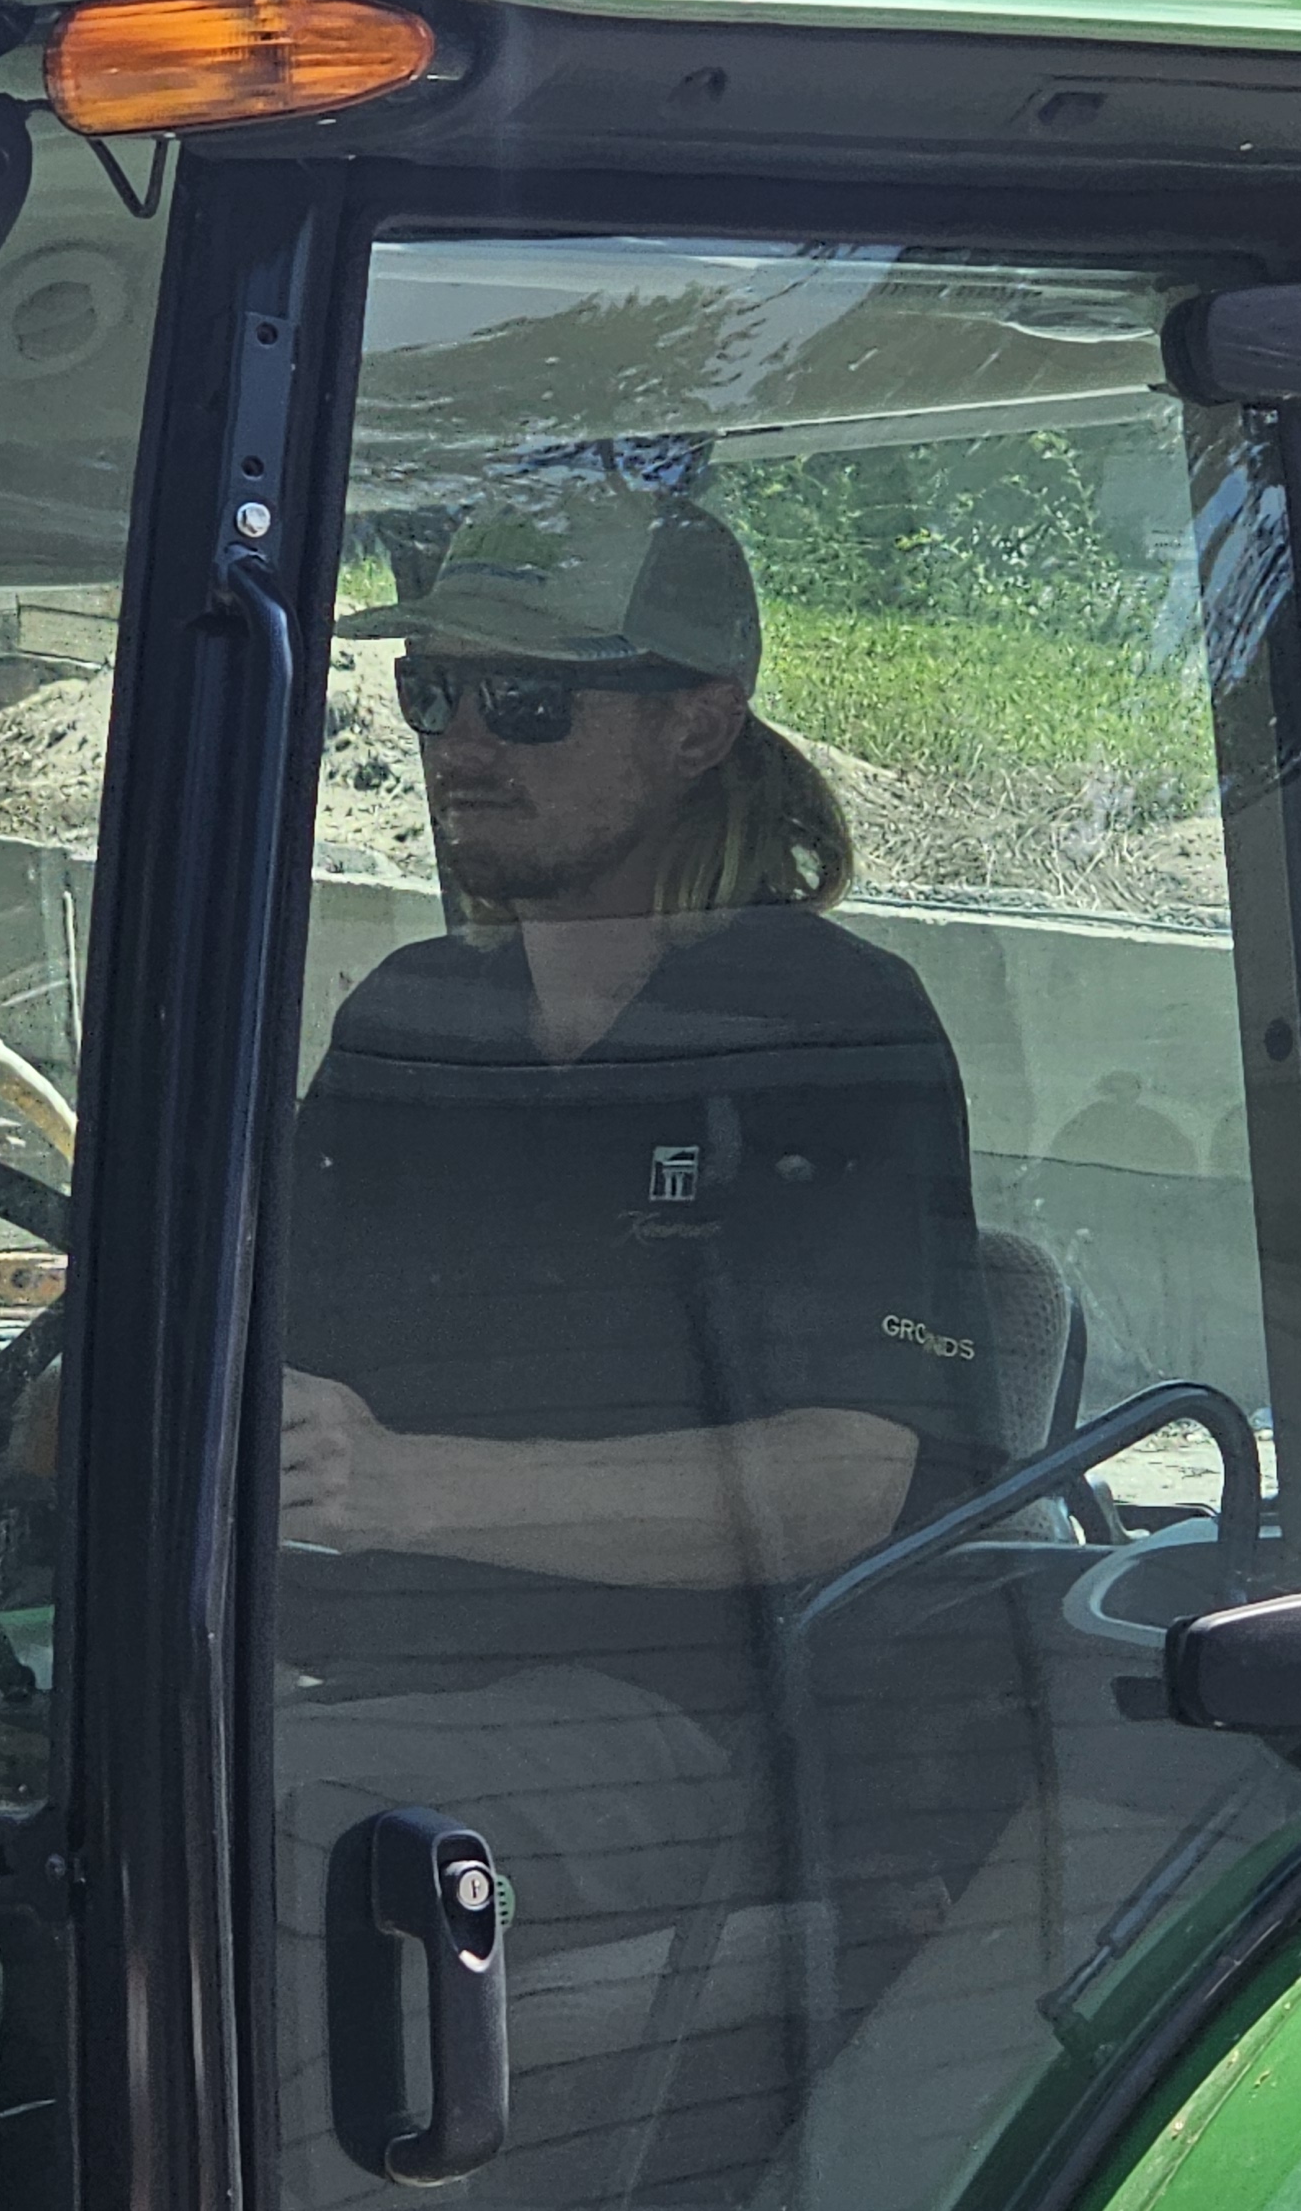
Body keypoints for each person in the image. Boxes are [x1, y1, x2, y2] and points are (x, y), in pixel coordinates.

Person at [272, 478, 1002, 2209]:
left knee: (258, 1821)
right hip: (348, 1669)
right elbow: (258, 1356)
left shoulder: (820, 1027)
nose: (462, 745)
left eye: (527, 703)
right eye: (428, 694)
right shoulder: (417, 1024)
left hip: (693, 1722)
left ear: (699, 723)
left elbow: (845, 1483)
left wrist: (398, 1489)